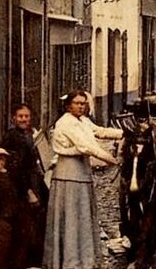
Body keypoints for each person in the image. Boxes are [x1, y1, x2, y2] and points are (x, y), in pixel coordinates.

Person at [44, 90, 122, 269]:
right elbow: (86, 147)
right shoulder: (65, 123)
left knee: (82, 216)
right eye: (77, 103)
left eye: (83, 103)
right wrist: (111, 159)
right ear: (67, 105)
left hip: (82, 171)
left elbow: (100, 132)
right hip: (68, 174)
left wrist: (123, 133)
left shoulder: (83, 121)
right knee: (71, 217)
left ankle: (84, 259)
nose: (81, 106)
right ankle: (70, 262)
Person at [1, 103, 49, 268]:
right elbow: (16, 169)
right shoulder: (13, 137)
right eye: (20, 116)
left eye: (26, 116)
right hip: (20, 190)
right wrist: (28, 191)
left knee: (32, 227)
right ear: (14, 118)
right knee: (23, 230)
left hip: (31, 183)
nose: (24, 119)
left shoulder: (26, 134)